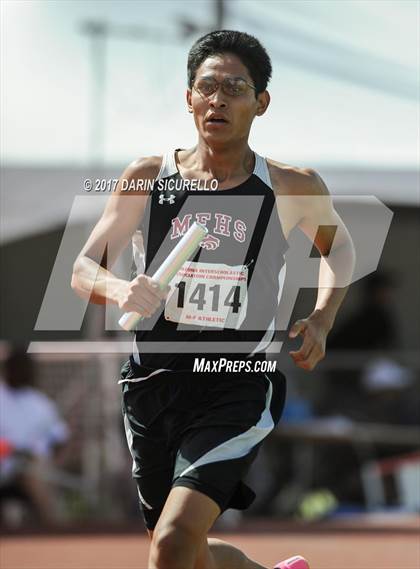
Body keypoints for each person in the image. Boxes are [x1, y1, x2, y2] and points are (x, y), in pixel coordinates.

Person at [72, 30, 355, 569]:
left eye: (234, 88)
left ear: (261, 102)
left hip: (236, 383)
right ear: (188, 98)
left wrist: (322, 318)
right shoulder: (147, 178)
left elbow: (338, 249)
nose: (217, 100)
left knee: (175, 541)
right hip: (151, 385)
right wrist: (121, 288)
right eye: (206, 87)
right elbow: (84, 267)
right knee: (178, 548)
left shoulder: (292, 186)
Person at [0, 347, 69, 526]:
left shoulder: (40, 403)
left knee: (35, 473)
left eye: (25, 368)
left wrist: (49, 461)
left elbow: (60, 439)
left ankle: (54, 531)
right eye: (16, 367)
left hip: (33, 469)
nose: (21, 372)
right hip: (4, 466)